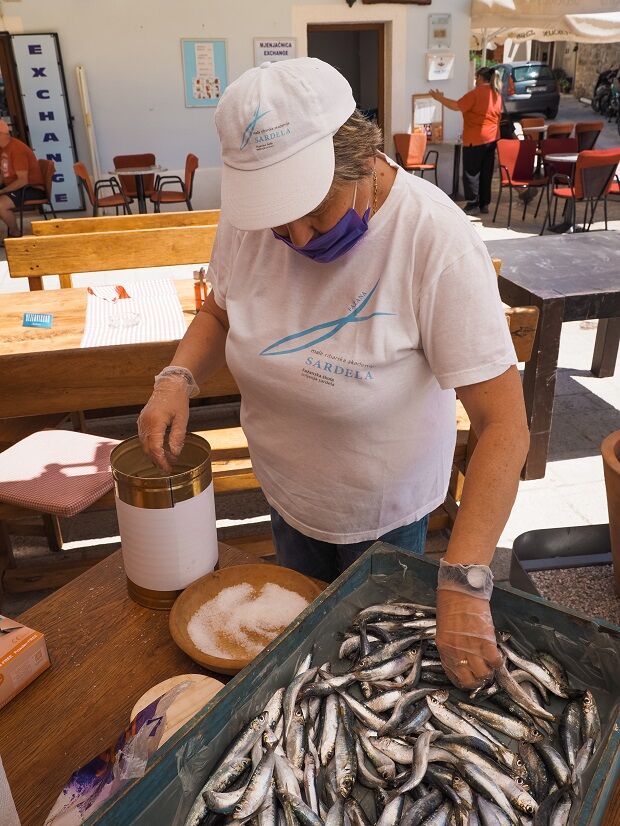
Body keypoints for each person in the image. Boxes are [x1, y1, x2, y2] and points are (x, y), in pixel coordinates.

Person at [138, 58, 529, 690]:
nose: (292, 234)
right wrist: (176, 379)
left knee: (374, 676)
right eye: (275, 219)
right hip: (288, 495)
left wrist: (464, 579)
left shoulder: (432, 239)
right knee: (308, 667)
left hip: (384, 511)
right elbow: (219, 308)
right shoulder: (250, 227)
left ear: (362, 160)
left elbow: (505, 425)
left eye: (311, 211)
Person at [430, 66, 503, 216]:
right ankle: (484, 204)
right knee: (486, 172)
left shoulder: (476, 93)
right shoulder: (496, 94)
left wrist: (439, 98)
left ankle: (473, 203)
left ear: (481, 78)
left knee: (471, 172)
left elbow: (457, 106)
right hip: (492, 138)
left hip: (475, 139)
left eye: (476, 78)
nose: (475, 80)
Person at [0, 120, 45, 239]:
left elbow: (22, 180)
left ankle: (15, 234)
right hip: (16, 186)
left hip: (31, 188)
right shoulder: (3, 148)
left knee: (1, 205)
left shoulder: (17, 150)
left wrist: (2, 191)